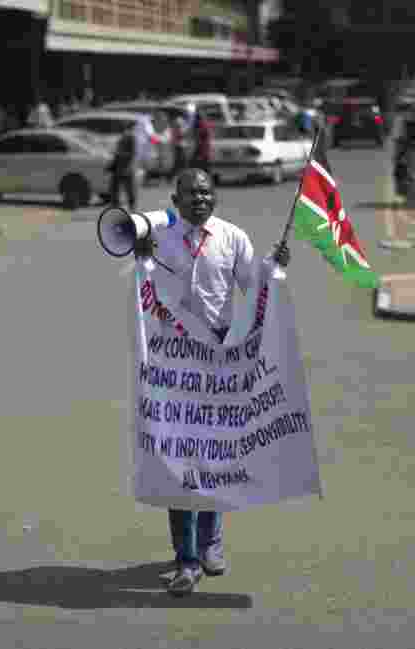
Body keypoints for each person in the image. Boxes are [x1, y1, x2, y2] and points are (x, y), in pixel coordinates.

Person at [133, 168, 290, 596]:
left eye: (206, 192)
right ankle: (185, 558)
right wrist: (141, 256)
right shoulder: (157, 235)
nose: (199, 199)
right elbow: (144, 290)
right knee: (177, 462)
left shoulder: (233, 238)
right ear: (175, 198)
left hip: (220, 364)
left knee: (215, 457)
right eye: (190, 193)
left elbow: (253, 290)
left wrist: (273, 269)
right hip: (173, 364)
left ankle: (211, 545)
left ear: (214, 196)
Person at [107, 126, 139, 211]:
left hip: (127, 168)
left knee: (129, 189)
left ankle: (132, 209)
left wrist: (120, 153)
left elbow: (133, 153)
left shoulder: (131, 138)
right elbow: (117, 154)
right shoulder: (121, 138)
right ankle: (115, 208)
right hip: (118, 168)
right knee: (114, 189)